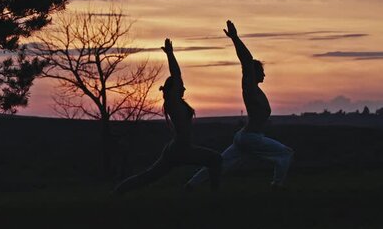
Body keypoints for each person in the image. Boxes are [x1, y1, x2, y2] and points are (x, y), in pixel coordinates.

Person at [185, 20, 293, 190]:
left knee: (221, 164)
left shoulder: (255, 90)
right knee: (286, 153)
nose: (264, 74)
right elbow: (246, 61)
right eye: (262, 71)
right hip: (251, 138)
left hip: (246, 137)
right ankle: (277, 185)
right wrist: (235, 38)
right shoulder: (249, 88)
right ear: (254, 73)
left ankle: (191, 184)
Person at [113, 39, 221, 194]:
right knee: (215, 159)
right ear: (174, 89)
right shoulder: (173, 103)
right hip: (178, 150)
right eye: (180, 86)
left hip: (180, 148)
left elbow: (177, 79)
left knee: (214, 160)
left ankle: (117, 192)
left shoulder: (178, 103)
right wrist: (170, 54)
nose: (184, 88)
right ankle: (117, 191)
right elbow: (176, 74)